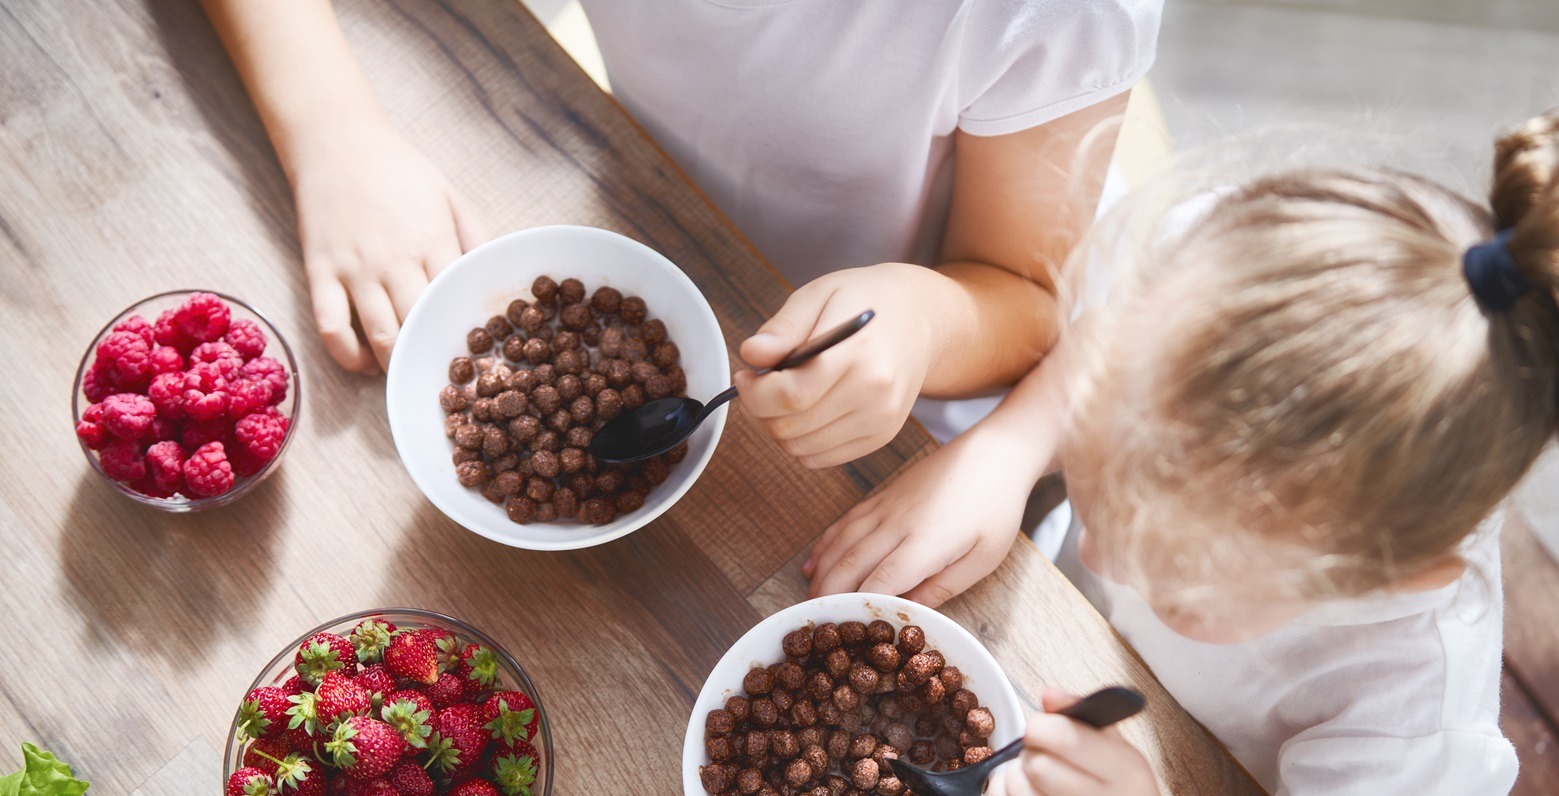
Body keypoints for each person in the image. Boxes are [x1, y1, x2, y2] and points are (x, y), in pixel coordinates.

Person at [803, 86, 1559, 796]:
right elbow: (1103, 344)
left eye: (1176, 577)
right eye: (1106, 482)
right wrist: (1010, 449)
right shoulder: (1208, 275)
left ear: (1374, 580)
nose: (1100, 552)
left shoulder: (1408, 726)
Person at [203, 0, 1161, 464]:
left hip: (903, 382)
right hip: (647, 209)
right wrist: (334, 133)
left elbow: (1028, 298)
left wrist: (917, 318)